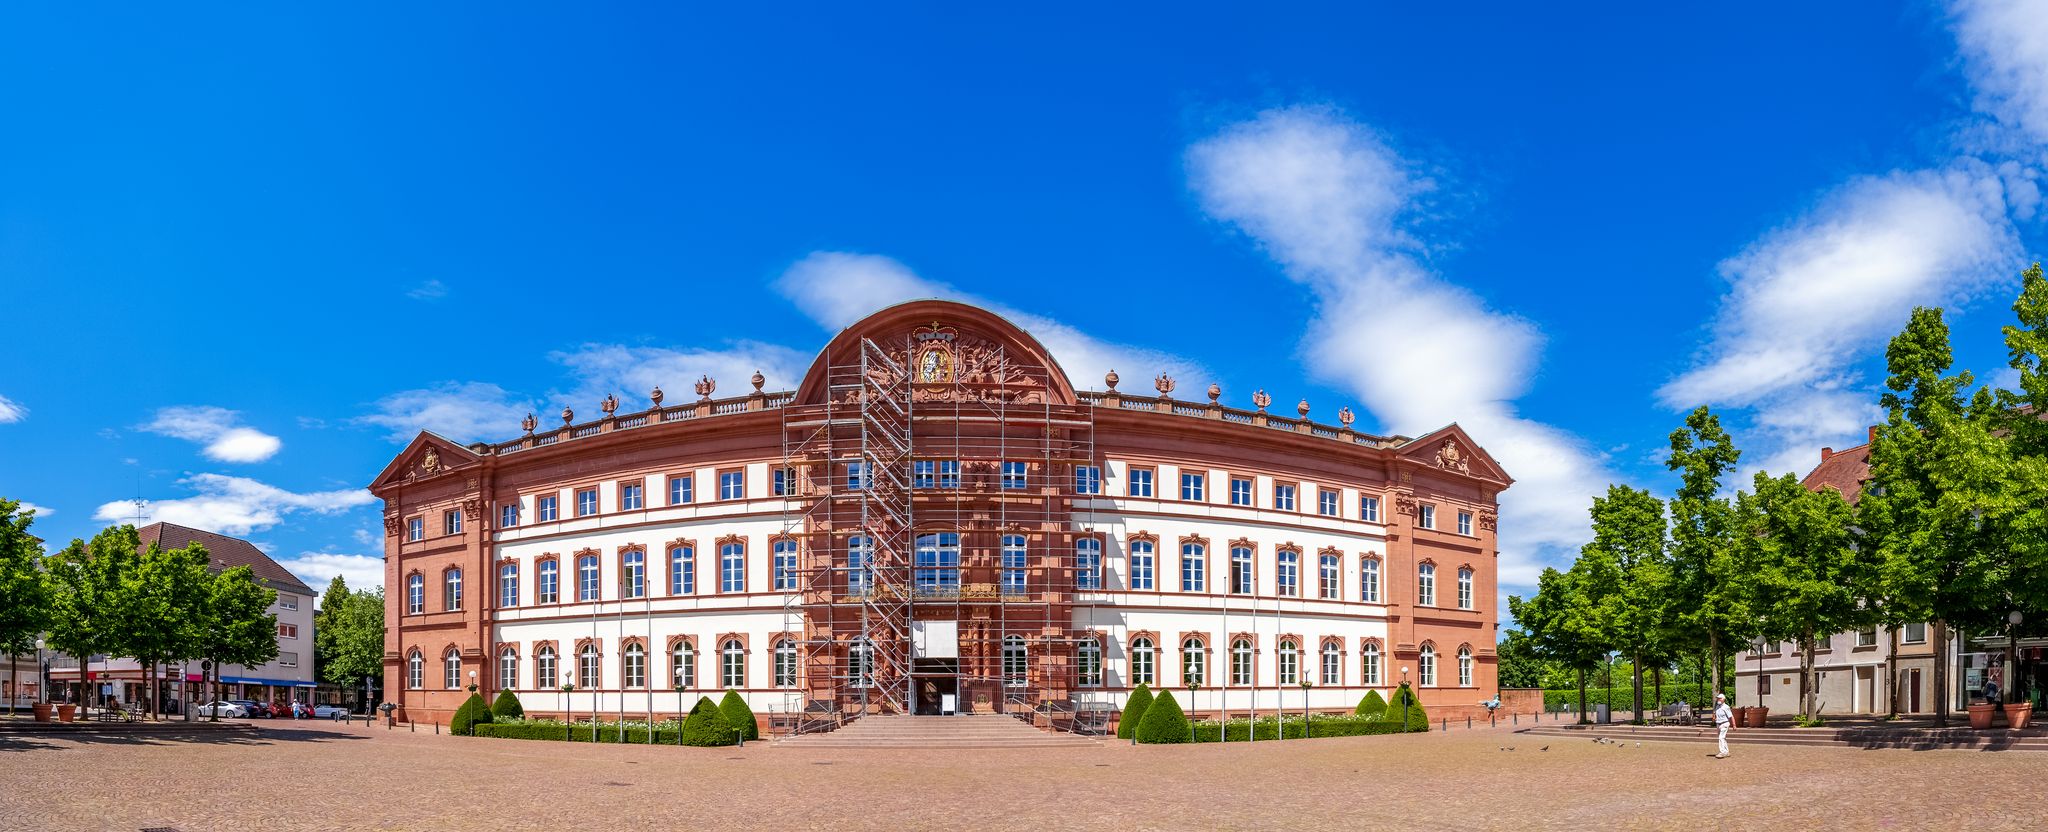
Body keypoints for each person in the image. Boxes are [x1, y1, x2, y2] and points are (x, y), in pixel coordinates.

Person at [1712, 693, 1733, 759]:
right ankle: (1726, 752)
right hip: (1718, 723)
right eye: (1718, 698)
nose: (1718, 699)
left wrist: (1734, 725)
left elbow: (1731, 716)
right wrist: (1714, 717)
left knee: (1721, 737)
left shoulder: (1726, 707)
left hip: (1724, 723)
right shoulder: (1717, 706)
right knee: (1723, 738)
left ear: (1723, 699)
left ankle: (1722, 752)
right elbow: (1715, 713)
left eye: (1720, 698)